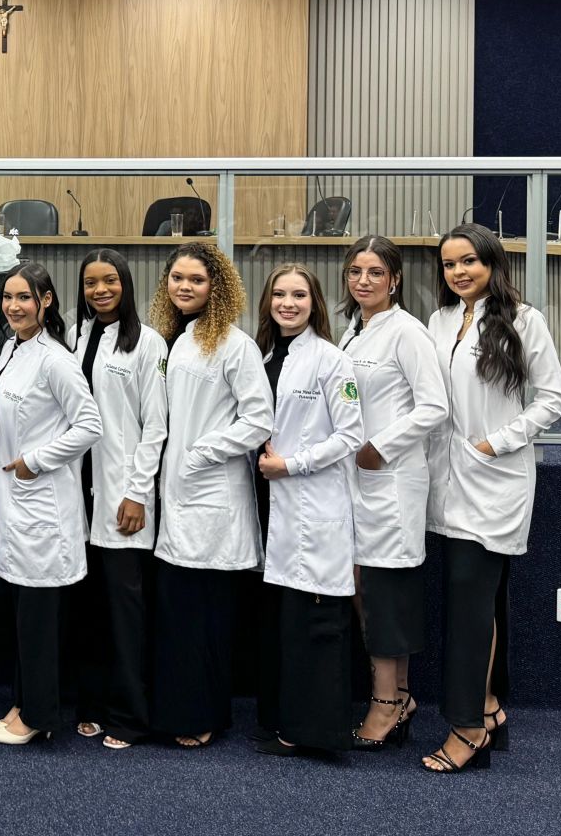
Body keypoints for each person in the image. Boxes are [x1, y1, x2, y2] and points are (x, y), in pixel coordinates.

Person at [422, 223, 561, 773]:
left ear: (492, 263)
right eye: (449, 264)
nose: (458, 272)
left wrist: (495, 442)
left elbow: (552, 399)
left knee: (469, 607)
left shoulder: (525, 320)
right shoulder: (438, 321)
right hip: (444, 478)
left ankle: (467, 729)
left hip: (493, 479)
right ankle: (488, 708)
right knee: (477, 603)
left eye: (469, 261)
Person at [148, 241, 273, 748]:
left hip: (213, 496)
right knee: (179, 618)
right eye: (177, 278)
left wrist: (202, 452)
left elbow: (259, 419)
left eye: (196, 279)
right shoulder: (174, 340)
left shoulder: (235, 345)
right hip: (177, 497)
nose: (185, 286)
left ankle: (204, 716)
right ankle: (179, 712)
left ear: (216, 287)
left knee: (207, 619)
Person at [0, 262, 102, 745]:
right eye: (8, 297)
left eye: (24, 298)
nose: (13, 306)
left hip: (42, 507)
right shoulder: (12, 348)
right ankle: (21, 705)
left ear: (45, 301)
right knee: (22, 620)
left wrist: (35, 461)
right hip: (14, 506)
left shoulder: (56, 359)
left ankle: (38, 717)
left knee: (38, 624)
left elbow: (89, 425)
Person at [336, 236, 447, 749]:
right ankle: (400, 696)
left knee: (384, 594)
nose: (363, 281)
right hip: (358, 481)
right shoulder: (353, 331)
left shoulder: (407, 333)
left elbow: (434, 407)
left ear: (395, 279)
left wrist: (379, 448)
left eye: (375, 272)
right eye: (355, 271)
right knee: (369, 590)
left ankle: (385, 703)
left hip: (390, 480)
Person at [251, 264, 366, 755]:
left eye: (298, 295)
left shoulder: (331, 360)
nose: (288, 303)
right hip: (272, 502)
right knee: (285, 624)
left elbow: (350, 435)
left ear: (314, 302)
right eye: (279, 294)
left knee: (316, 623)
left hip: (310, 500)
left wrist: (291, 465)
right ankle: (283, 722)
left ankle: (316, 733)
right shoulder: (263, 355)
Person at [69, 248, 168, 748]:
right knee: (88, 609)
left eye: (109, 281)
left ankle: (130, 715)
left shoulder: (148, 343)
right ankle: (92, 704)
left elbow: (156, 427)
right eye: (91, 283)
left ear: (125, 284)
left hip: (120, 493)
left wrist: (137, 492)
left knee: (125, 610)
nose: (100, 290)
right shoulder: (75, 335)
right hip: (76, 492)